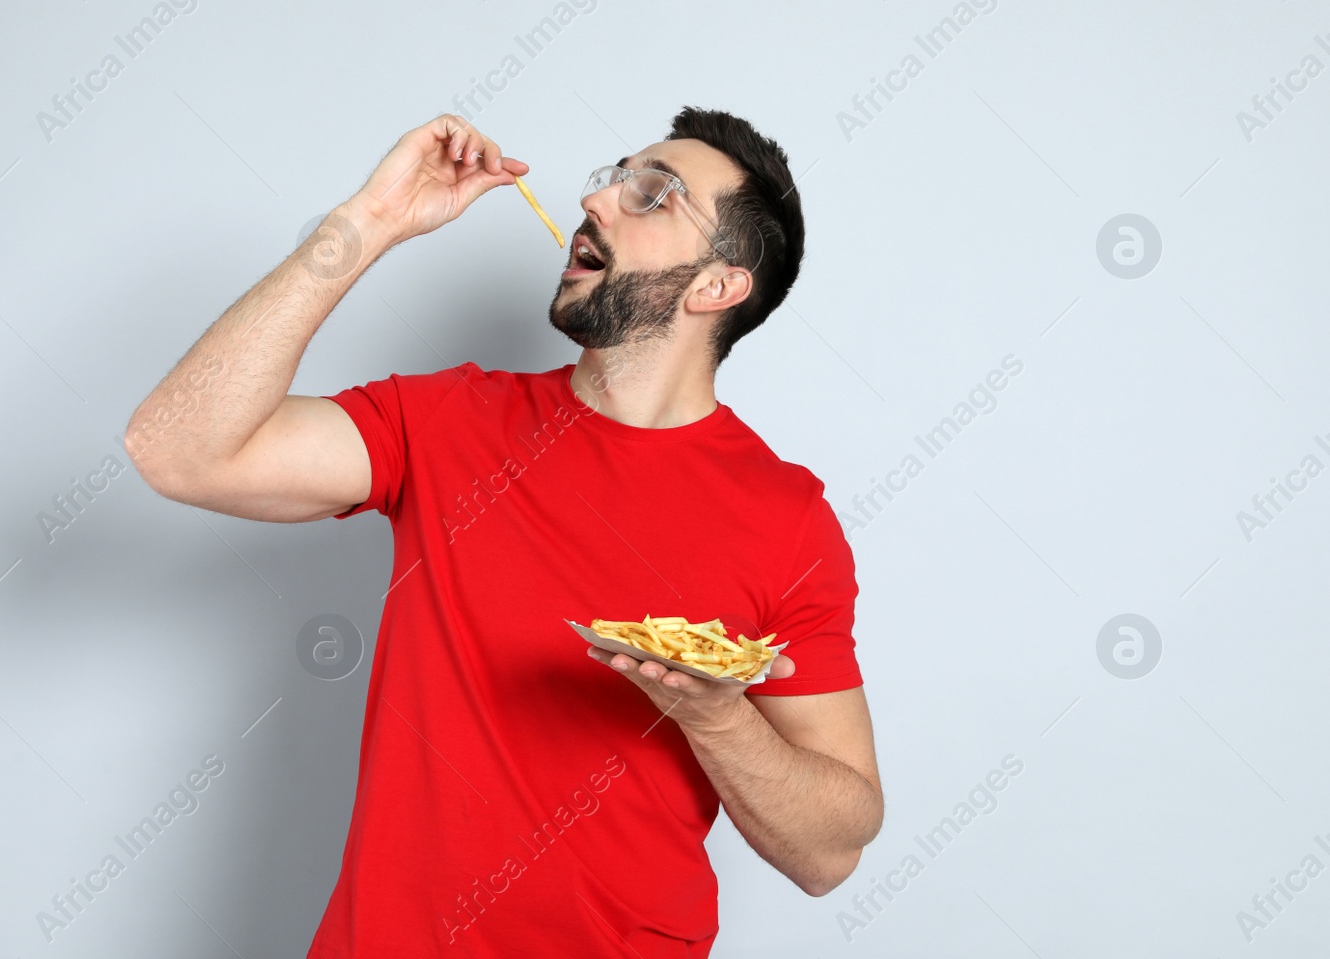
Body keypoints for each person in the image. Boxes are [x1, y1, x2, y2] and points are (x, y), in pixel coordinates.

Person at [125, 108, 884, 957]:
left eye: (653, 195)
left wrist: (717, 718)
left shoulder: (784, 517)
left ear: (717, 286)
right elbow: (178, 450)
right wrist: (368, 222)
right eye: (616, 174)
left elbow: (832, 849)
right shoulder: (449, 420)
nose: (597, 198)